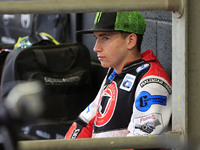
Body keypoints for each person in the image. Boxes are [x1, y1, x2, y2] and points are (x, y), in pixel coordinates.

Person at [65, 11, 172, 140]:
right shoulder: (115, 70)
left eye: (105, 38)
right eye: (96, 38)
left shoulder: (152, 82)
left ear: (131, 41)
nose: (96, 48)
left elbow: (141, 144)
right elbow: (85, 122)